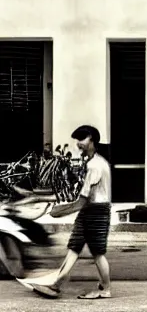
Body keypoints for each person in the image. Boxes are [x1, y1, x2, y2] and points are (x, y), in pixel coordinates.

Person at [25, 125, 112, 299]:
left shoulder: (95, 165)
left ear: (92, 140)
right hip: (90, 210)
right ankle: (56, 285)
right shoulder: (93, 162)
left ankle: (106, 288)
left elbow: (81, 201)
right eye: (77, 140)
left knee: (97, 252)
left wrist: (60, 211)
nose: (79, 143)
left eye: (82, 139)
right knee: (74, 247)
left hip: (96, 212)